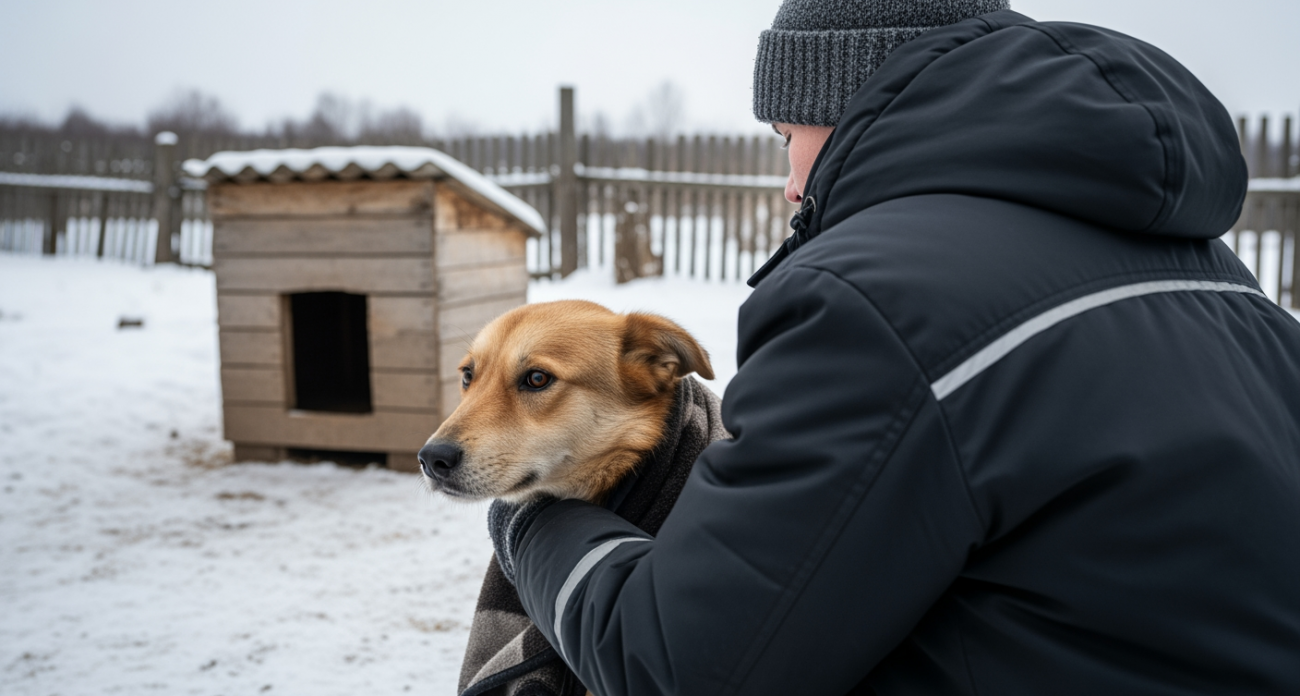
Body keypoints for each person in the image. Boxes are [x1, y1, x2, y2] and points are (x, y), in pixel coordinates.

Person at [487, 1, 1300, 694]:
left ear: (841, 102)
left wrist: (533, 526)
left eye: (784, 136)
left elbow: (683, 668)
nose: (790, 184)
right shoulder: (1215, 271)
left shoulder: (873, 301)